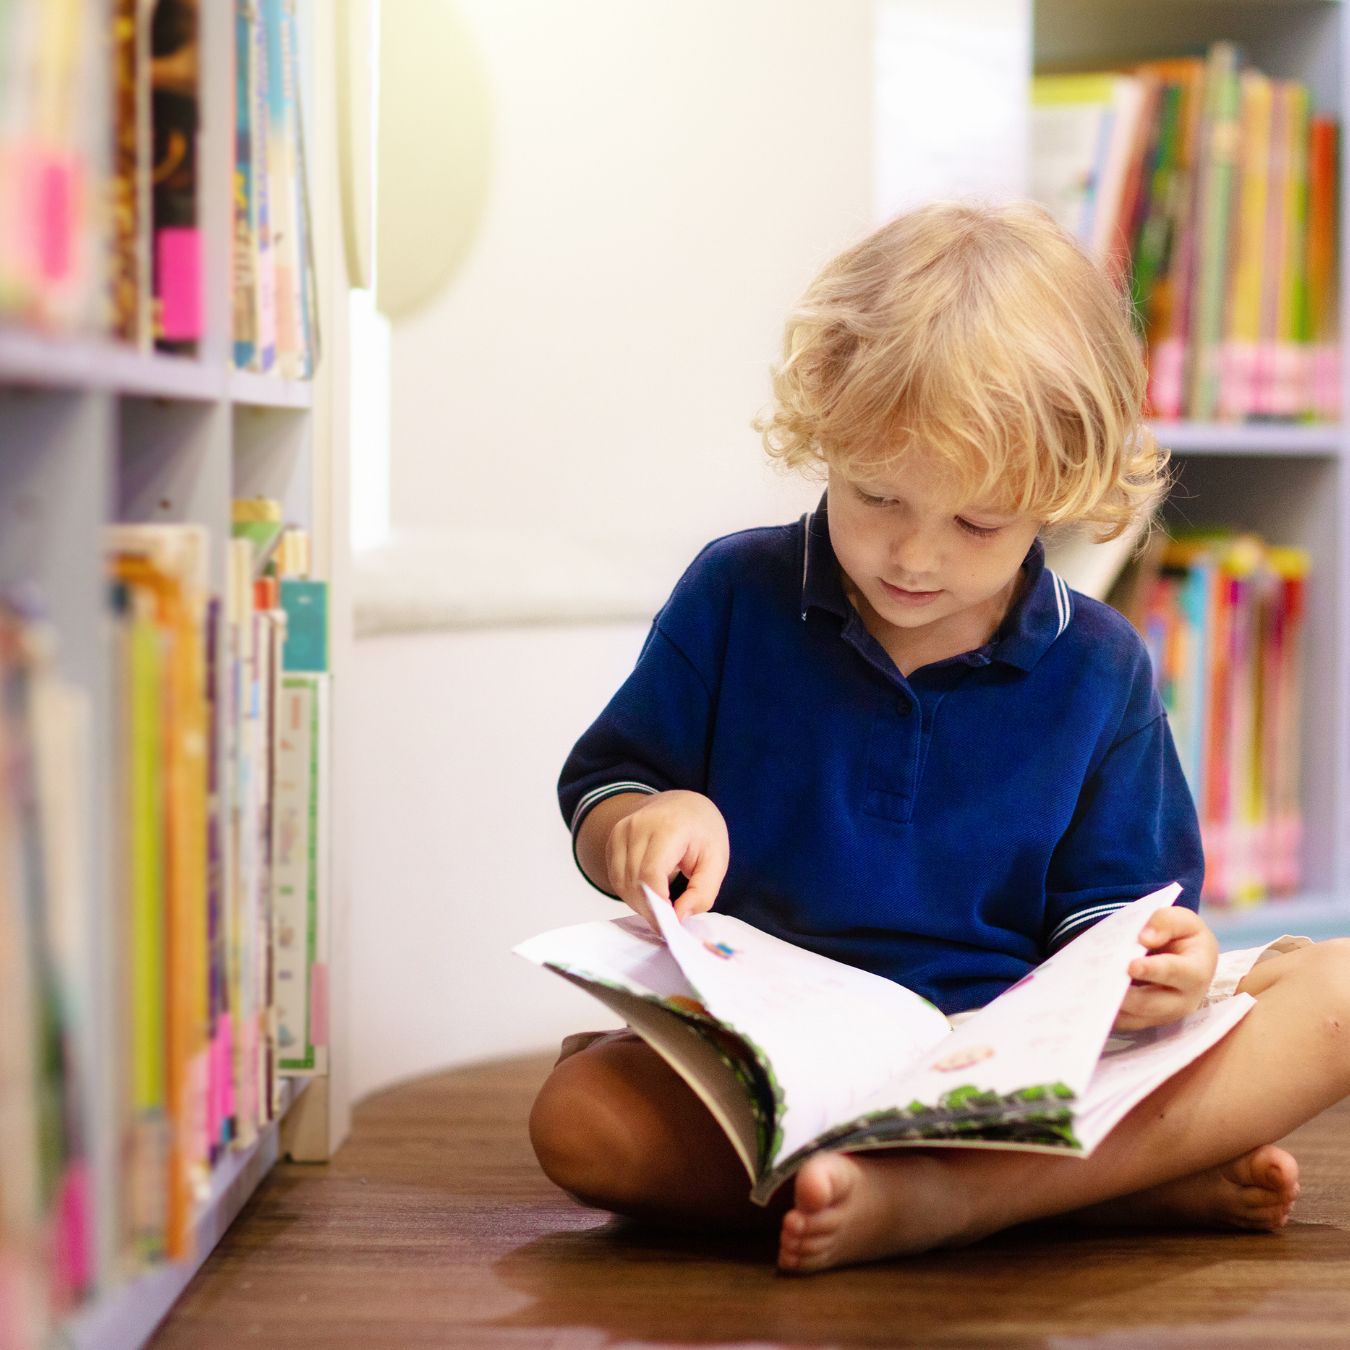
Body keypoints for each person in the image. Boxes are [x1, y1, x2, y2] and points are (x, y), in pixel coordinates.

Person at [527, 200, 1350, 1274]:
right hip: (778, 1058)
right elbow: (609, 788)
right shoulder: (735, 595)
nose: (914, 555)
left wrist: (1165, 971)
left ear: (1061, 492)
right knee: (580, 1123)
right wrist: (642, 821)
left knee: (1334, 997)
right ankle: (1081, 1192)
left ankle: (950, 1196)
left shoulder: (1101, 667)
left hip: (1008, 1065)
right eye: (877, 496)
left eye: (978, 523)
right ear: (826, 428)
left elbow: (1121, 924)